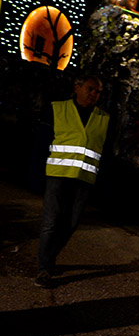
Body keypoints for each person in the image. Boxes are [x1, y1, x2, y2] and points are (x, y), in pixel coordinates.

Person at [36, 73, 110, 288]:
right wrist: (37, 175)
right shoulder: (57, 109)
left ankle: (49, 259)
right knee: (51, 222)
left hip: (83, 179)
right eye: (91, 89)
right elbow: (42, 143)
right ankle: (44, 269)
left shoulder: (103, 118)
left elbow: (103, 152)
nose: (94, 94)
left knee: (71, 223)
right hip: (58, 175)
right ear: (77, 88)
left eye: (98, 92)